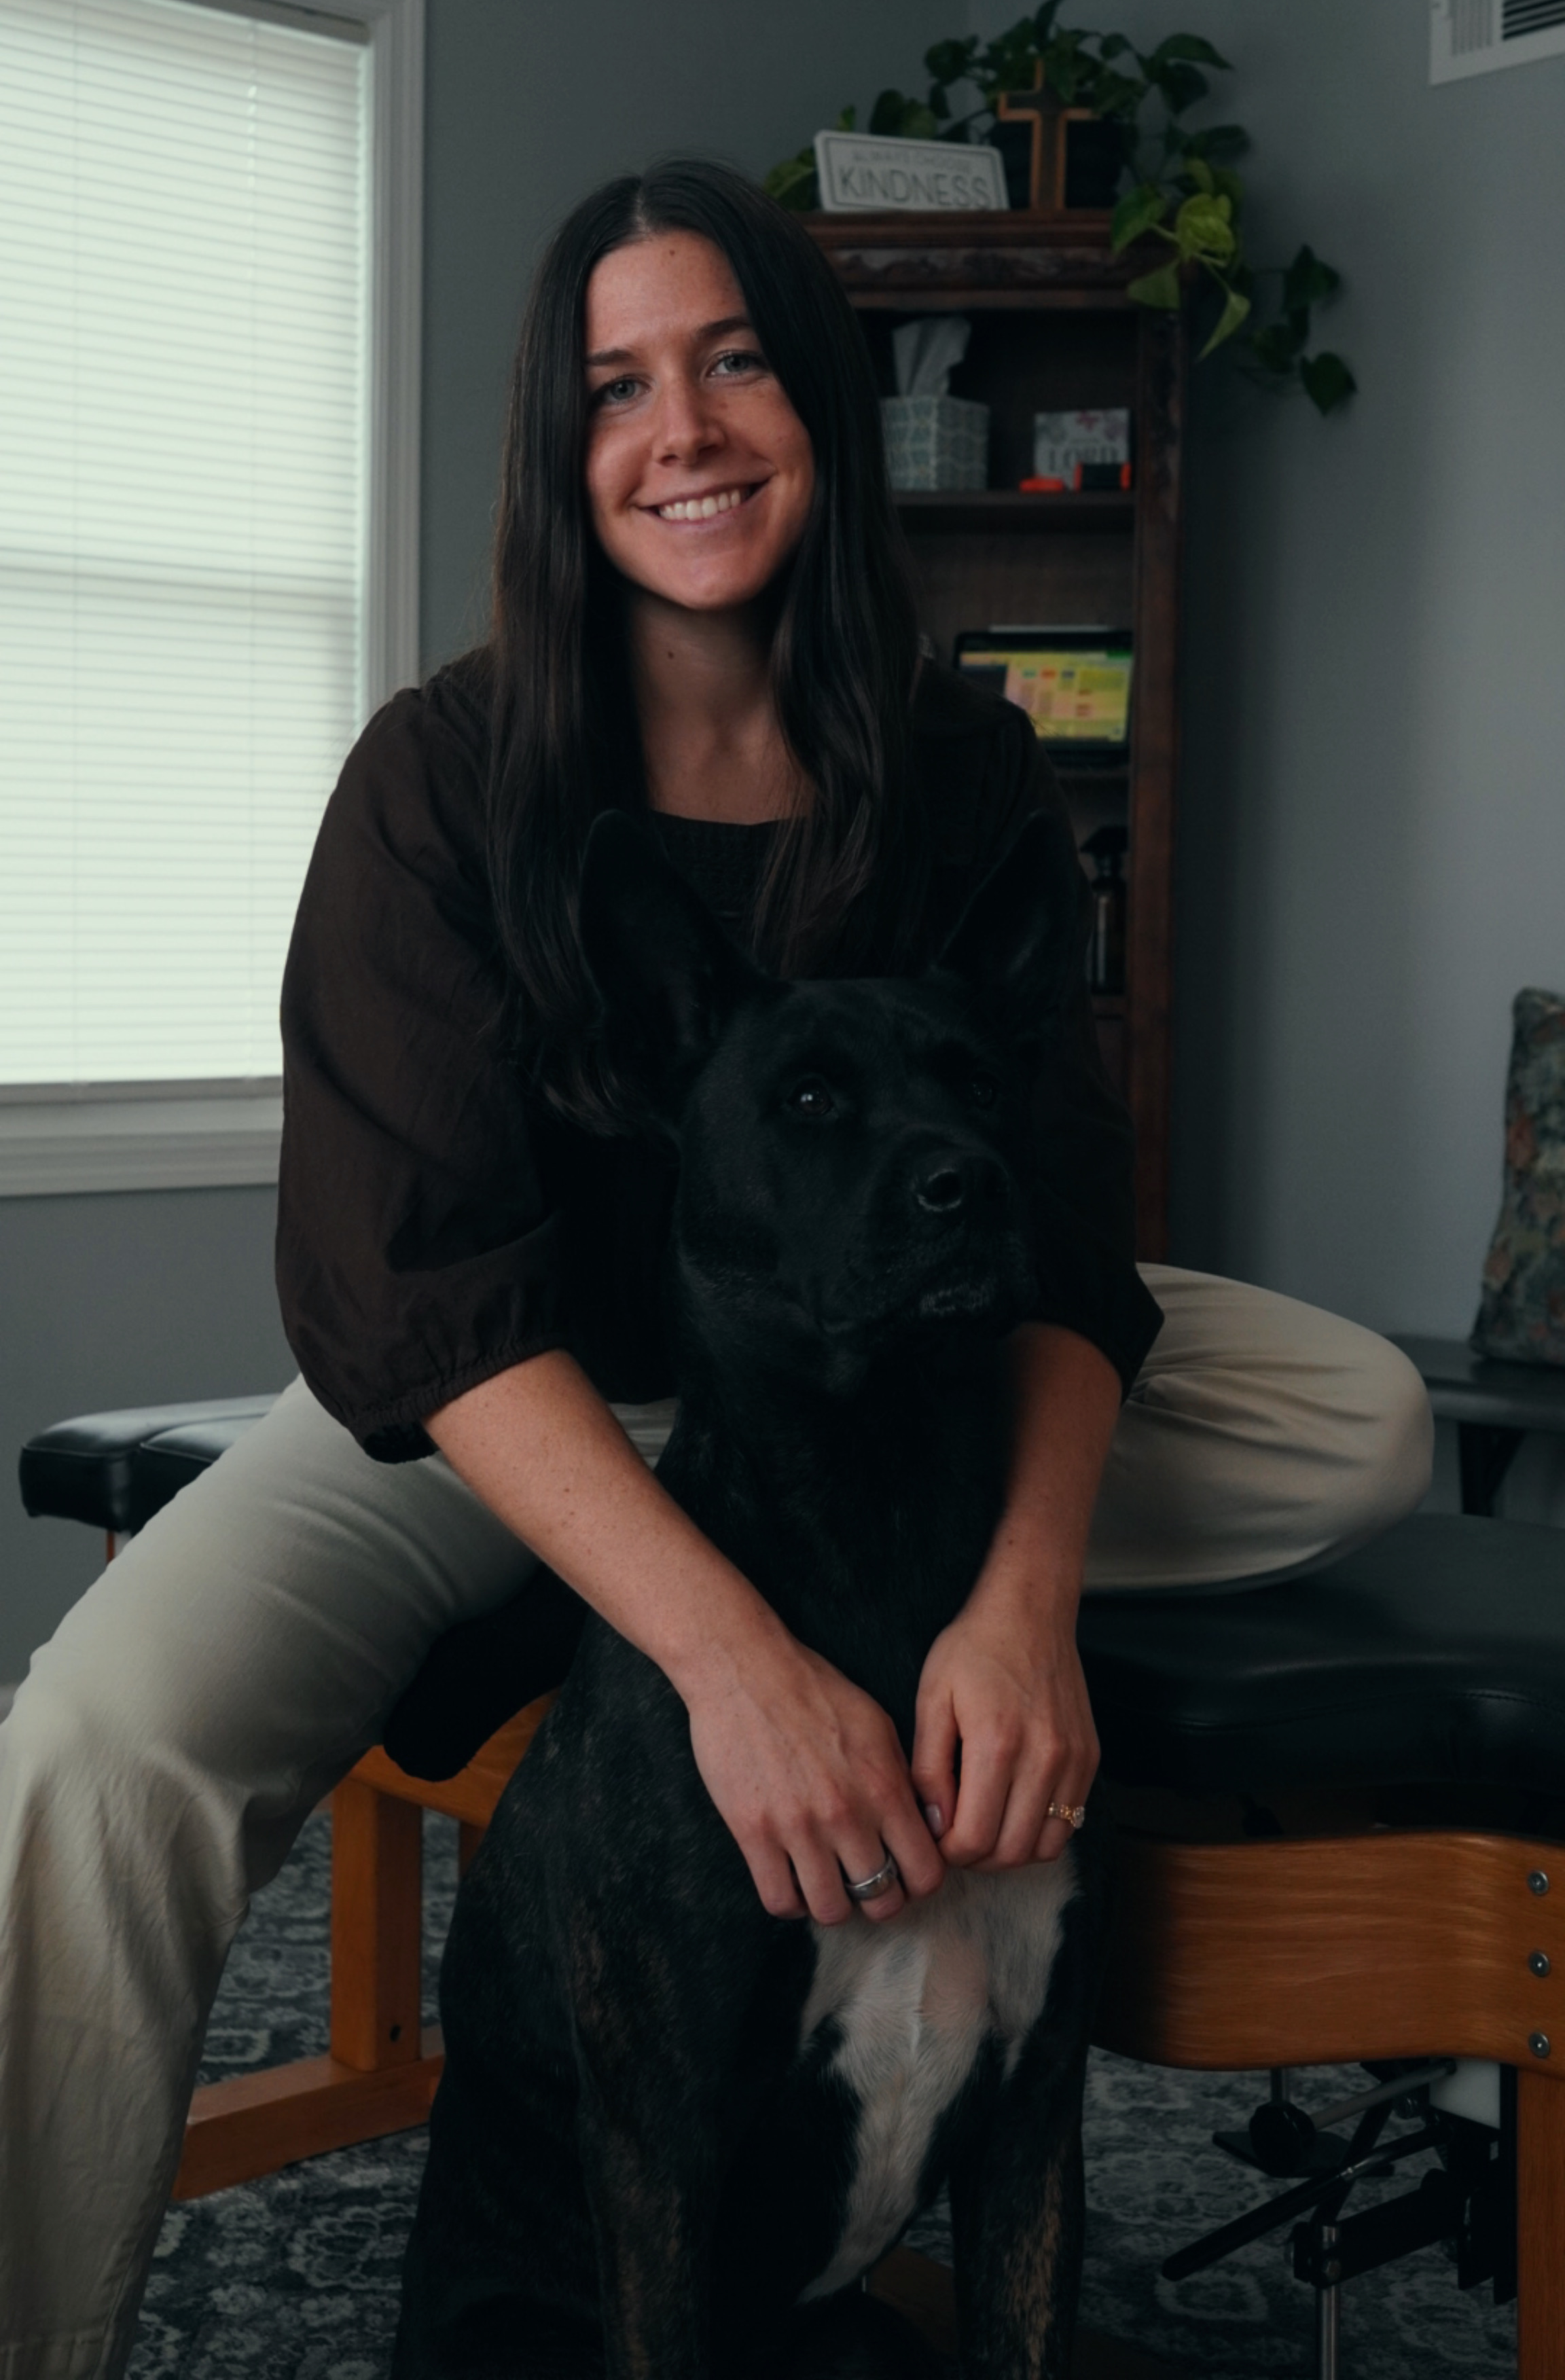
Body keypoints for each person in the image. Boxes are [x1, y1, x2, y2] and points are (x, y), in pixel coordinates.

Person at [0, 160, 1432, 2380]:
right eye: (617, 388)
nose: (683, 431)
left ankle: (877, 1599)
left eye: (737, 360)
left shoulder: (957, 761)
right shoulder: (439, 780)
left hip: (887, 1393)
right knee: (93, 1752)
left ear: (822, 405)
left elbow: (1062, 1226)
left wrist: (1021, 1607)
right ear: (559, 452)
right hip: (516, 1410)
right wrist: (727, 1663)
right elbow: (420, 1287)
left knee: (1364, 1420)